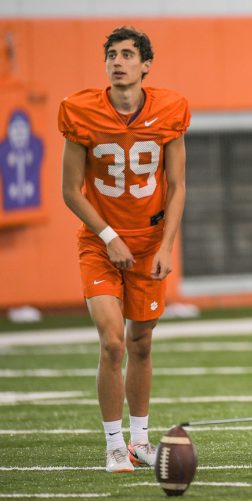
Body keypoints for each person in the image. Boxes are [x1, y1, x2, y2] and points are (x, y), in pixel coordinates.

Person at [59, 26, 190, 472]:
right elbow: (70, 191)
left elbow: (177, 186)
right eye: (111, 54)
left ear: (146, 64)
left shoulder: (170, 109)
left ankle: (139, 439)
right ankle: (114, 443)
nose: (118, 61)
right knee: (113, 341)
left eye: (128, 54)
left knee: (142, 342)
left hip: (149, 241)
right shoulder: (80, 110)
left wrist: (167, 246)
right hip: (101, 243)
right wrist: (108, 236)